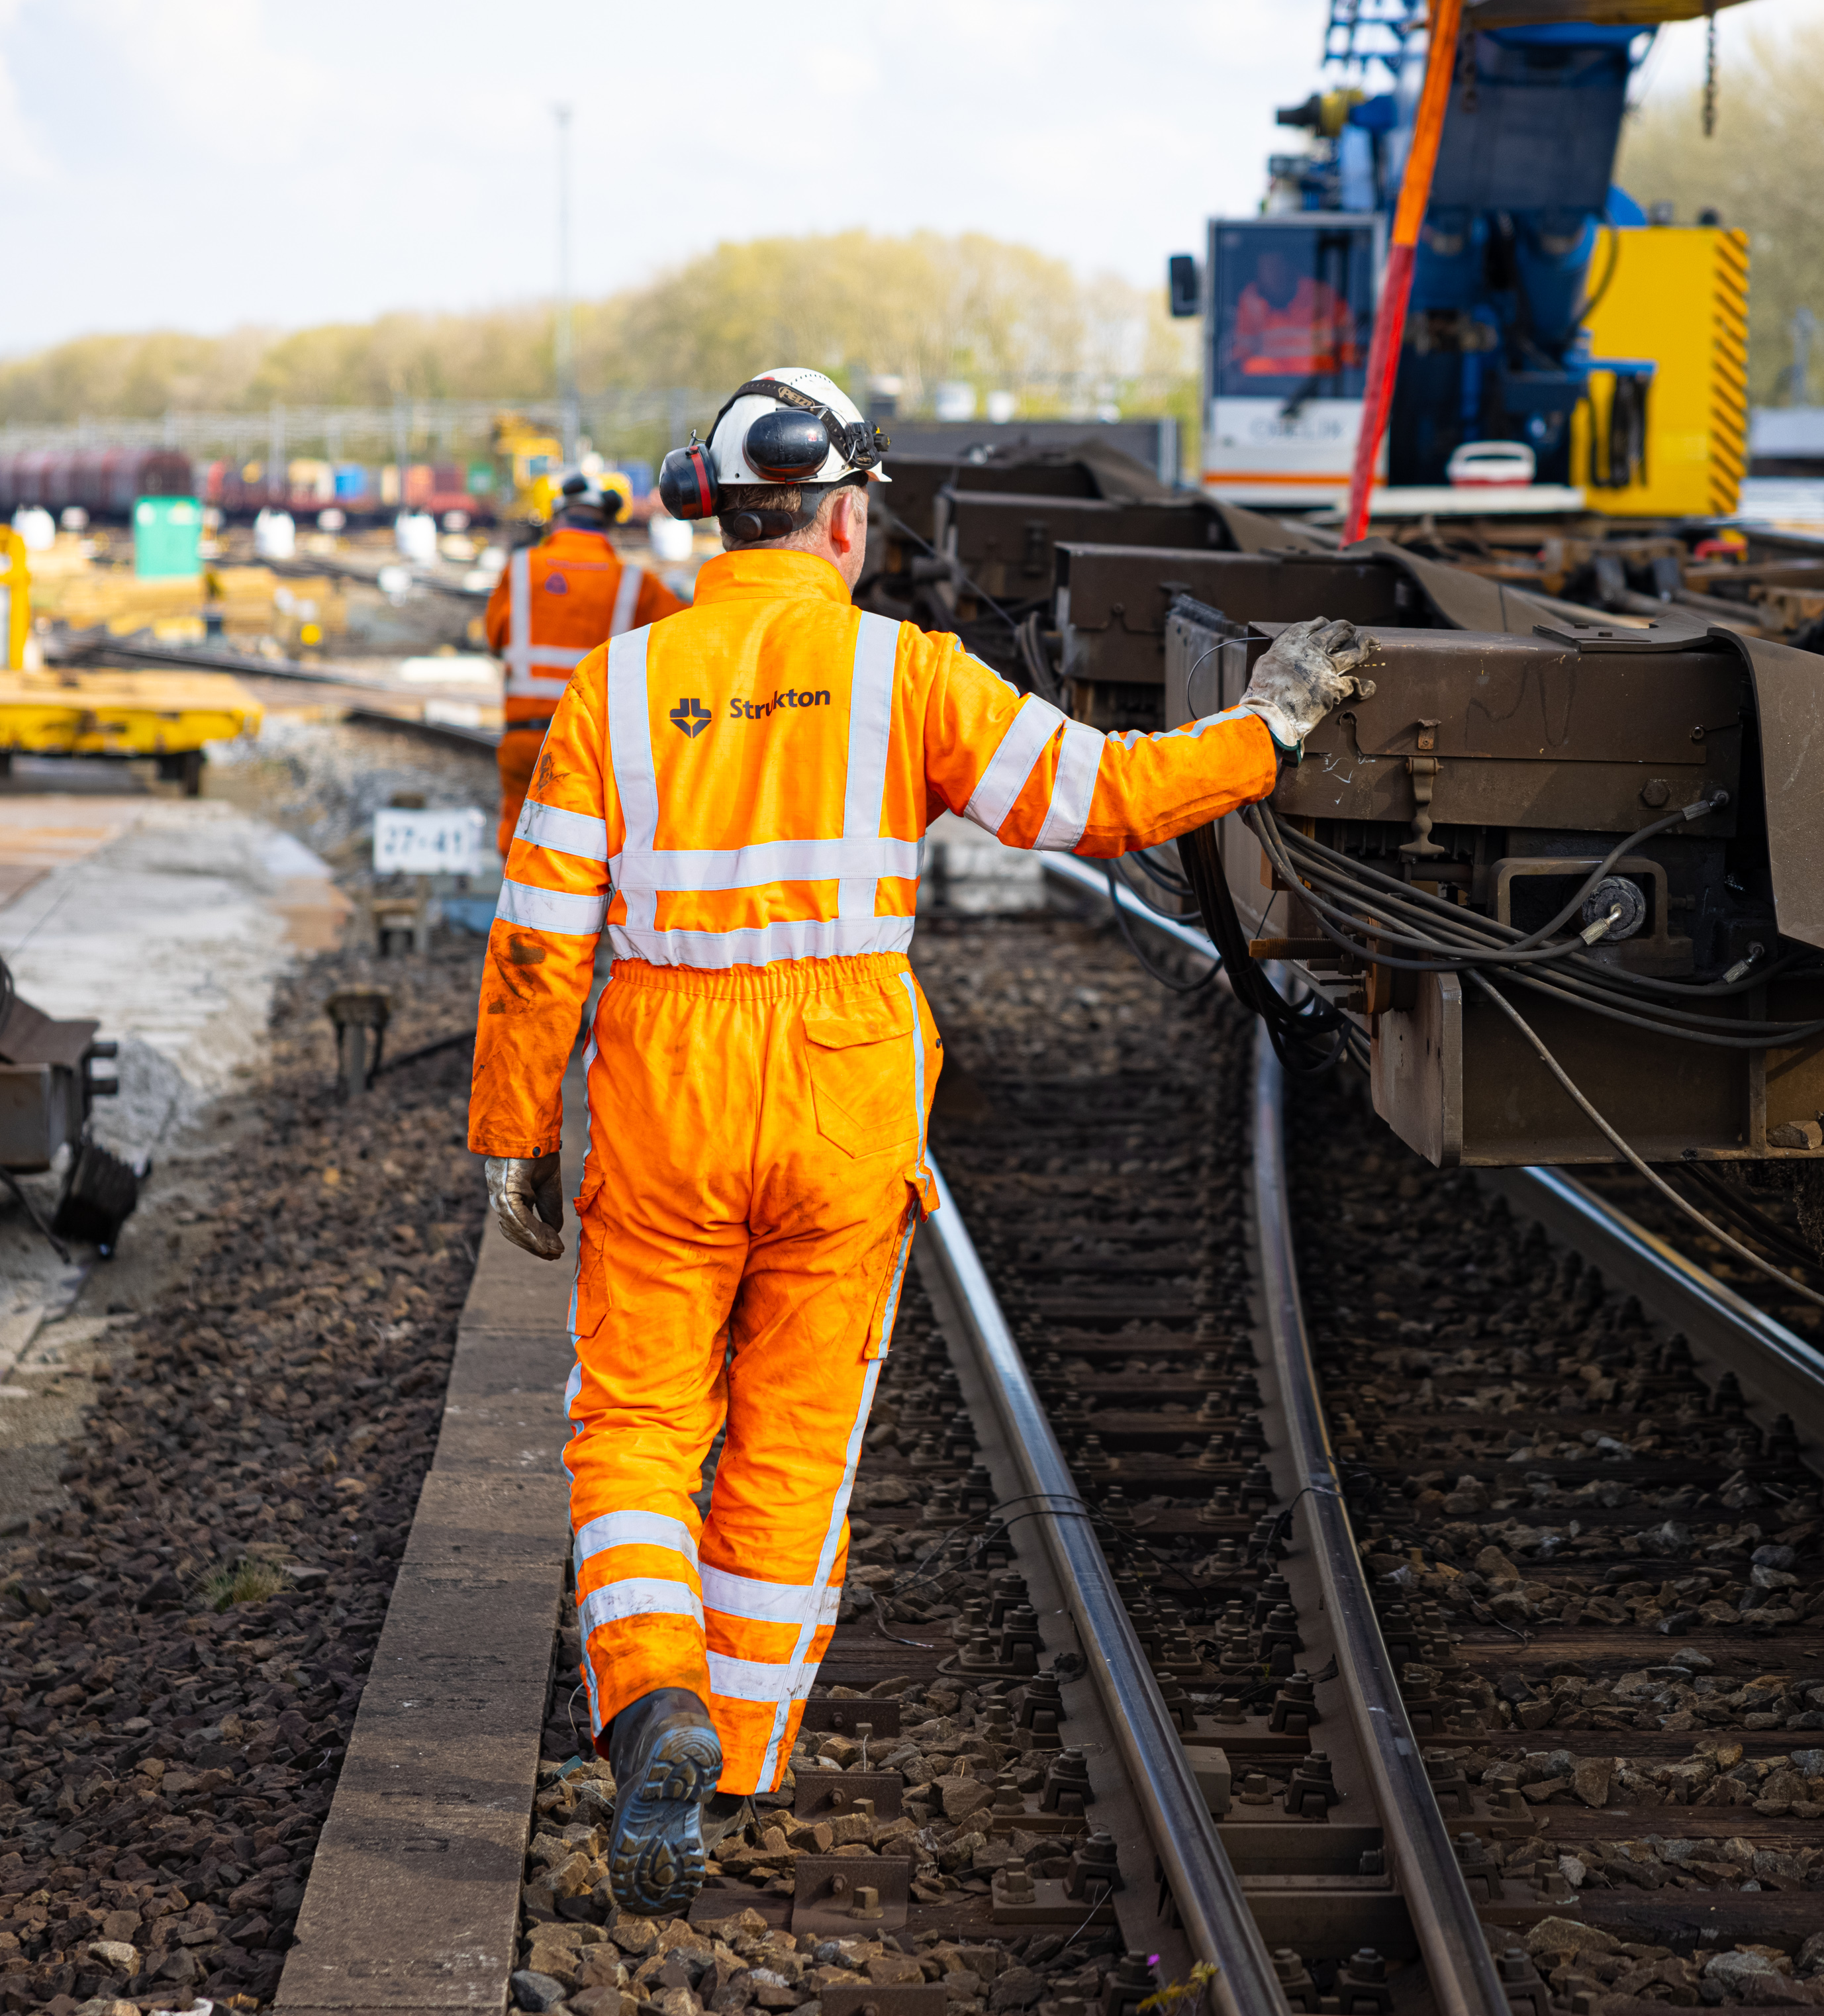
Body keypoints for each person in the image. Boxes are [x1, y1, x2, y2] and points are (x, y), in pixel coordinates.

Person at [465, 365, 1367, 1915]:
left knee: (631, 1428)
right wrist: (1267, 730)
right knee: (795, 1440)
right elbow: (1106, 797)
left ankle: (652, 1699)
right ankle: (734, 1754)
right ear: (836, 515)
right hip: (839, 1087)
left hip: (669, 1089)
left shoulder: (614, 692)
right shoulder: (907, 678)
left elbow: (540, 942)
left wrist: (515, 1136)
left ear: (716, 516)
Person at [484, 484, 687, 854]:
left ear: (557, 519)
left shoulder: (521, 567)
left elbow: (494, 637)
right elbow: (686, 635)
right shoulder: (633, 583)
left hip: (524, 739)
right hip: (594, 744)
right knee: (587, 848)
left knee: (520, 843)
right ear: (607, 525)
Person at [1230, 246, 1357, 378]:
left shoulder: (1323, 297)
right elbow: (1241, 364)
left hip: (1323, 391)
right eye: (1265, 268)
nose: (1272, 274)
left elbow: (1350, 357)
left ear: (1289, 266)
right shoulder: (1250, 302)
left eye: (1277, 266)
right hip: (1266, 393)